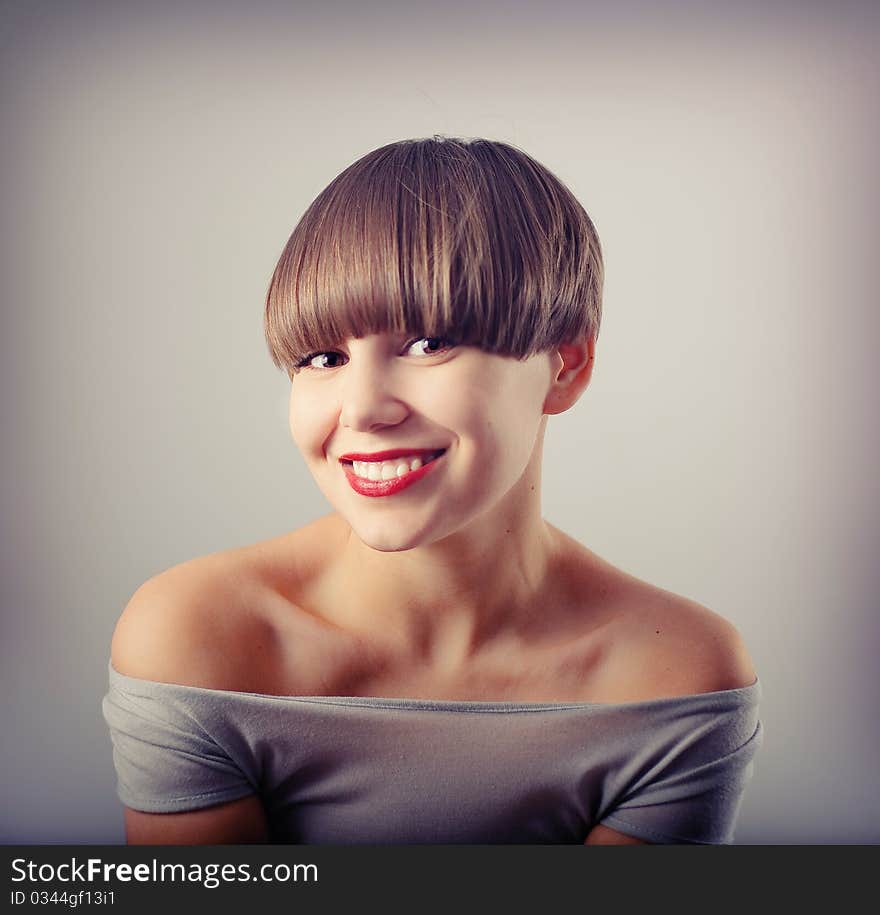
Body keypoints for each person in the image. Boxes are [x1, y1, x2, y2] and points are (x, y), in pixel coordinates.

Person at [102, 135, 762, 845]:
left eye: (427, 344)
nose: (360, 409)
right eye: (323, 357)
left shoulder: (675, 672)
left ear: (564, 363)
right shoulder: (200, 637)